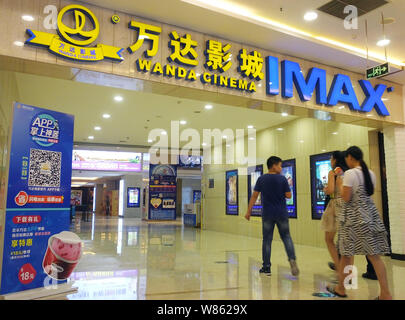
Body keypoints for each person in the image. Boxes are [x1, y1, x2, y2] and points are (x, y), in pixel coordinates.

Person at [327, 146, 391, 299]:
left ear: (349, 157)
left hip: (353, 219)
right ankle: (385, 294)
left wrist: (340, 185)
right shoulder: (370, 173)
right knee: (374, 256)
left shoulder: (349, 173)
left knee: (347, 254)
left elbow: (347, 197)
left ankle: (341, 289)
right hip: (369, 216)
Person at [245, 156, 299, 276]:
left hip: (268, 214)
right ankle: (292, 259)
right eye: (280, 165)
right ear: (273, 166)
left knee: (267, 240)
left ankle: (266, 267)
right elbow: (289, 195)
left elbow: (254, 196)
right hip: (282, 213)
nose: (281, 168)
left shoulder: (261, 179)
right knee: (286, 237)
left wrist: (249, 211)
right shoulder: (282, 179)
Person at [321, 151, 348, 277]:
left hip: (335, 206)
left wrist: (325, 189)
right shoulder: (346, 172)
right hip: (346, 206)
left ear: (335, 160)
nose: (330, 161)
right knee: (344, 241)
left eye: (331, 159)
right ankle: (345, 270)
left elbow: (331, 190)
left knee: (329, 239)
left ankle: (339, 269)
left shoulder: (333, 173)